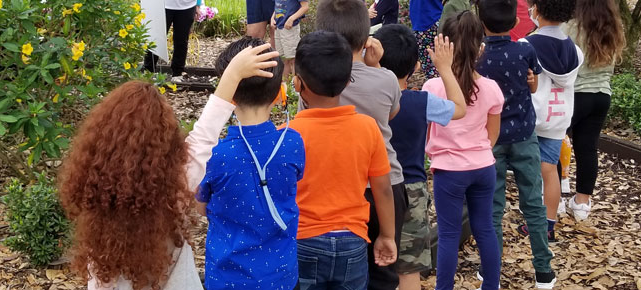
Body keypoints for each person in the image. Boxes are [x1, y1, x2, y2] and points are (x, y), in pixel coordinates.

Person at [58, 43, 282, 290]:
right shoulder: (176, 185)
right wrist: (233, 74)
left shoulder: (97, 201)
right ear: (166, 139)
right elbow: (205, 133)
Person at [290, 30, 397, 289]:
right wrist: (387, 235)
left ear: (297, 84)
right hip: (353, 240)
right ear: (348, 81)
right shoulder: (368, 128)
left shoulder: (289, 136)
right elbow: (382, 188)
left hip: (303, 240)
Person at [312, 0, 405, 290]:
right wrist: (375, 67)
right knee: (383, 269)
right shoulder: (386, 78)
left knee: (339, 273)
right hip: (386, 188)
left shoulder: (313, 80)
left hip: (335, 185)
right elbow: (392, 113)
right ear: (367, 36)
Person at [197, 37, 305, 289]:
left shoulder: (217, 155)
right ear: (281, 94)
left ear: (230, 95)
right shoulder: (292, 143)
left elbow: (200, 206)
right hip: (281, 276)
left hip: (227, 278)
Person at [373, 25, 467, 290]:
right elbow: (460, 109)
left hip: (370, 188)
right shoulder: (420, 101)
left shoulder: (367, 100)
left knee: (371, 266)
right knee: (409, 268)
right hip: (411, 189)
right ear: (414, 67)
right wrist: (445, 69)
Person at [475, 0, 557, 289]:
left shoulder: (476, 56)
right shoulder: (524, 51)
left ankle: (490, 269)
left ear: (481, 21)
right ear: (515, 22)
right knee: (533, 203)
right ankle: (543, 270)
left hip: (489, 140)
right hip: (524, 136)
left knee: (492, 207)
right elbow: (531, 85)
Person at [422, 10, 504, 290]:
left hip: (449, 171)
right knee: (485, 230)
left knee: (448, 234)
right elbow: (492, 136)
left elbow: (426, 131)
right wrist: (475, 153)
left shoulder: (432, 87)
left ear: (442, 46)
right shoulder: (492, 88)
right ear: (480, 48)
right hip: (483, 168)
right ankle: (491, 286)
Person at [518, 0, 582, 242]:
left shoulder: (526, 45)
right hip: (558, 119)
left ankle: (531, 219)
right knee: (549, 170)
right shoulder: (576, 51)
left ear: (536, 9)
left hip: (532, 118)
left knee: (529, 173)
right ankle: (548, 224)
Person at [558, 0, 623, 221]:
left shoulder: (569, 26)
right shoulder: (613, 25)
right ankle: (582, 204)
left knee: (552, 144)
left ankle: (556, 202)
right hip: (601, 95)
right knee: (588, 148)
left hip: (574, 94)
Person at [270, 0, 309, 80]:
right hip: (279, 27)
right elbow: (277, 5)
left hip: (290, 28)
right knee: (283, 58)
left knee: (292, 58)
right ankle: (284, 84)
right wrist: (272, 18)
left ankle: (295, 84)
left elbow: (305, 6)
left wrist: (292, 18)